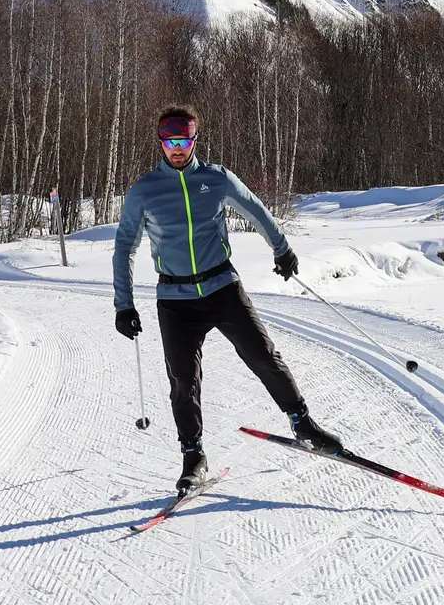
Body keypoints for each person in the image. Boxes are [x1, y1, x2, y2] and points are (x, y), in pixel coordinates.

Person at [112, 104, 345, 489]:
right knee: (183, 381)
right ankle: (193, 456)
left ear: (194, 139)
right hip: (175, 299)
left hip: (223, 287)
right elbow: (124, 248)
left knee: (263, 355)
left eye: (183, 140)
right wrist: (124, 305)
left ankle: (303, 424)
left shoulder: (216, 179)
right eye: (169, 141)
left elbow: (255, 210)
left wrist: (282, 249)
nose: (177, 148)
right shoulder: (144, 192)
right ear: (160, 142)